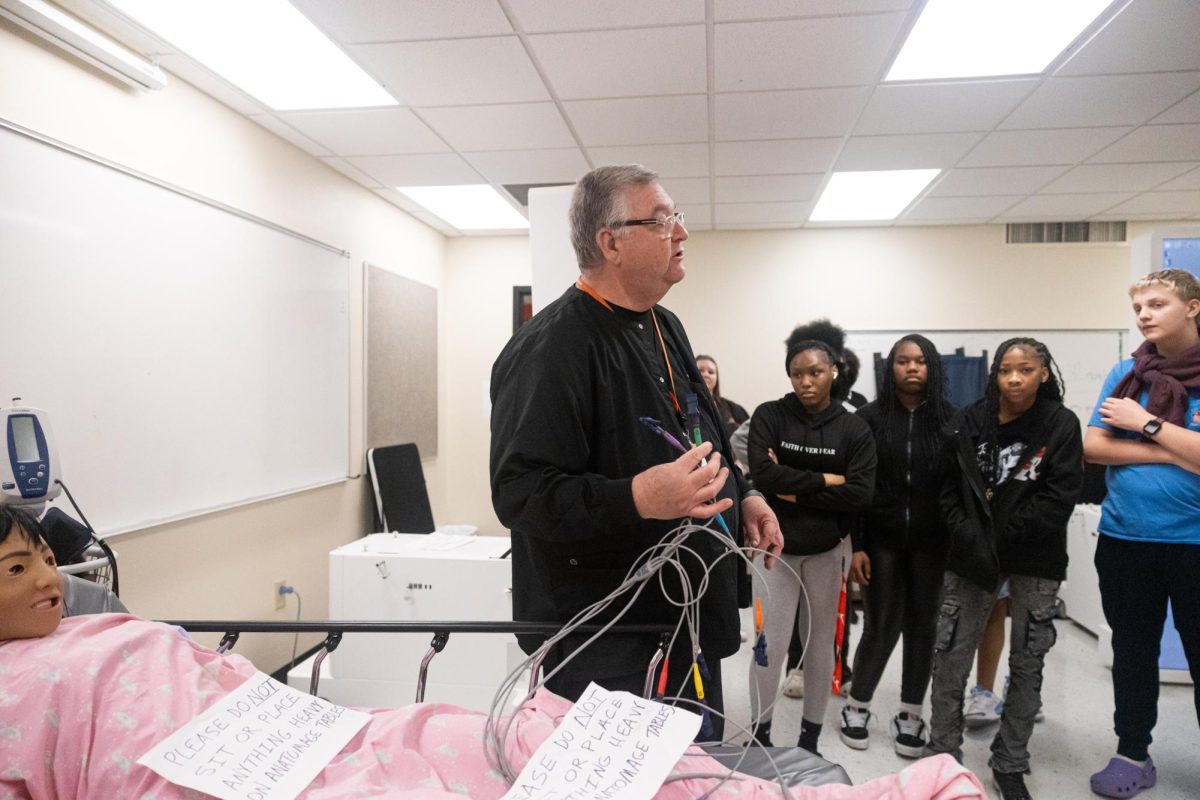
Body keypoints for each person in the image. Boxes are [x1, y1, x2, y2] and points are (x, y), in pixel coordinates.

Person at [0, 509, 986, 799]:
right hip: (213, 773)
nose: (50, 575)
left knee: (514, 730)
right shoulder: (22, 684)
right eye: (17, 566)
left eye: (46, 553)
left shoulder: (99, 620)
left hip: (302, 730)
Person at [489, 165, 783, 739]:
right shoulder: (549, 351)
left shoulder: (664, 324)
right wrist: (637, 498)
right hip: (607, 635)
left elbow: (703, 430)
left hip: (686, 611)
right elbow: (520, 494)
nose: (682, 233)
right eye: (664, 219)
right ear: (611, 242)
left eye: (679, 218)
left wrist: (741, 495)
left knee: (693, 764)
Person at [926, 338, 1083, 800]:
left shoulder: (1060, 424)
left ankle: (1010, 761)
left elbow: (1060, 495)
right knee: (951, 656)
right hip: (970, 557)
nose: (1015, 379)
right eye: (1006, 370)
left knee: (1028, 662)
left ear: (1044, 374)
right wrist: (970, 535)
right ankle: (942, 756)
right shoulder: (970, 422)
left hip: (1036, 557)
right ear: (995, 374)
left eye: (1026, 369)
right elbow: (948, 489)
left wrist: (1000, 537)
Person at [1083, 268, 1200, 799]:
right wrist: (1172, 448)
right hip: (1128, 538)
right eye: (1138, 308)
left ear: (1193, 307)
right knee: (1132, 651)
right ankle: (1132, 752)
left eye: (1157, 304)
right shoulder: (1126, 373)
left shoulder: (1135, 401)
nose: (1144, 315)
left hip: (1195, 544)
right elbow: (1093, 446)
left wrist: (1144, 422)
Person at [746, 339, 876, 754]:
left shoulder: (853, 428)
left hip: (827, 551)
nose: (805, 381)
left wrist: (794, 488)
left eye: (814, 372)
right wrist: (827, 480)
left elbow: (859, 494)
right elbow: (764, 475)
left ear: (833, 371)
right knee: (770, 645)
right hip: (774, 551)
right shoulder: (770, 415)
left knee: (822, 647)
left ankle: (809, 741)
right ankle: (760, 735)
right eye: (797, 373)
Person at [839, 334, 955, 757]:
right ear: (890, 368)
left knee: (923, 629)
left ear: (932, 369)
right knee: (880, 626)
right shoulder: (867, 420)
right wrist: (857, 546)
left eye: (920, 361)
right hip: (880, 542)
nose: (911, 368)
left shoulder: (952, 420)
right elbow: (856, 489)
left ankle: (910, 712)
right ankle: (857, 705)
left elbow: (958, 491)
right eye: (903, 361)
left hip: (932, 546)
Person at [697, 354, 750, 442]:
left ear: (716, 378)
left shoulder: (734, 409)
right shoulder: (681, 406)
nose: (706, 374)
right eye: (700, 370)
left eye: (711, 372)